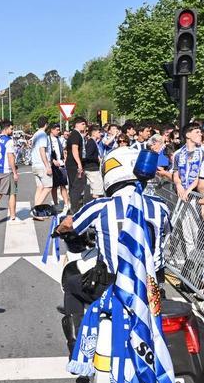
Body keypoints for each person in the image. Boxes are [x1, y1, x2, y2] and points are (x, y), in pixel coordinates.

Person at [53, 145, 170, 353]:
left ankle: (78, 347)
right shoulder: (160, 206)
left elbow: (70, 224)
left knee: (71, 285)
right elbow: (166, 235)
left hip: (113, 286)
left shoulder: (100, 206)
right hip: (151, 289)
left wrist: (58, 229)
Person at [172, 122, 204, 200]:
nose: (200, 134)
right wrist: (178, 185)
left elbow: (201, 175)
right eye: (197, 132)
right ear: (188, 135)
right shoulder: (178, 154)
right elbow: (175, 173)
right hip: (181, 194)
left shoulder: (203, 152)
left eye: (200, 132)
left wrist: (188, 190)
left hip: (197, 195)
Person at [65, 117, 88, 213]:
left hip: (72, 164)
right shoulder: (75, 134)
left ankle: (74, 207)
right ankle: (74, 208)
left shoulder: (77, 134)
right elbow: (74, 150)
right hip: (73, 164)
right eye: (83, 124)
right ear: (77, 124)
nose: (84, 126)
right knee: (77, 186)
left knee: (75, 185)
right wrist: (79, 164)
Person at [30, 117, 53, 209]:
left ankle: (36, 209)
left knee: (40, 187)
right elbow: (42, 150)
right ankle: (36, 208)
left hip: (35, 164)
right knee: (48, 187)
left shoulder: (35, 134)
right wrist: (48, 166)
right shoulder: (43, 135)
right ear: (46, 124)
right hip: (42, 164)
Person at [83, 125, 104, 199]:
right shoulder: (91, 142)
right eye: (99, 132)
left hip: (93, 168)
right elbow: (88, 156)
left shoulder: (93, 142)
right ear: (93, 133)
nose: (100, 134)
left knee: (96, 190)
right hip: (92, 168)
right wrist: (97, 158)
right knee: (97, 191)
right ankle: (97, 204)